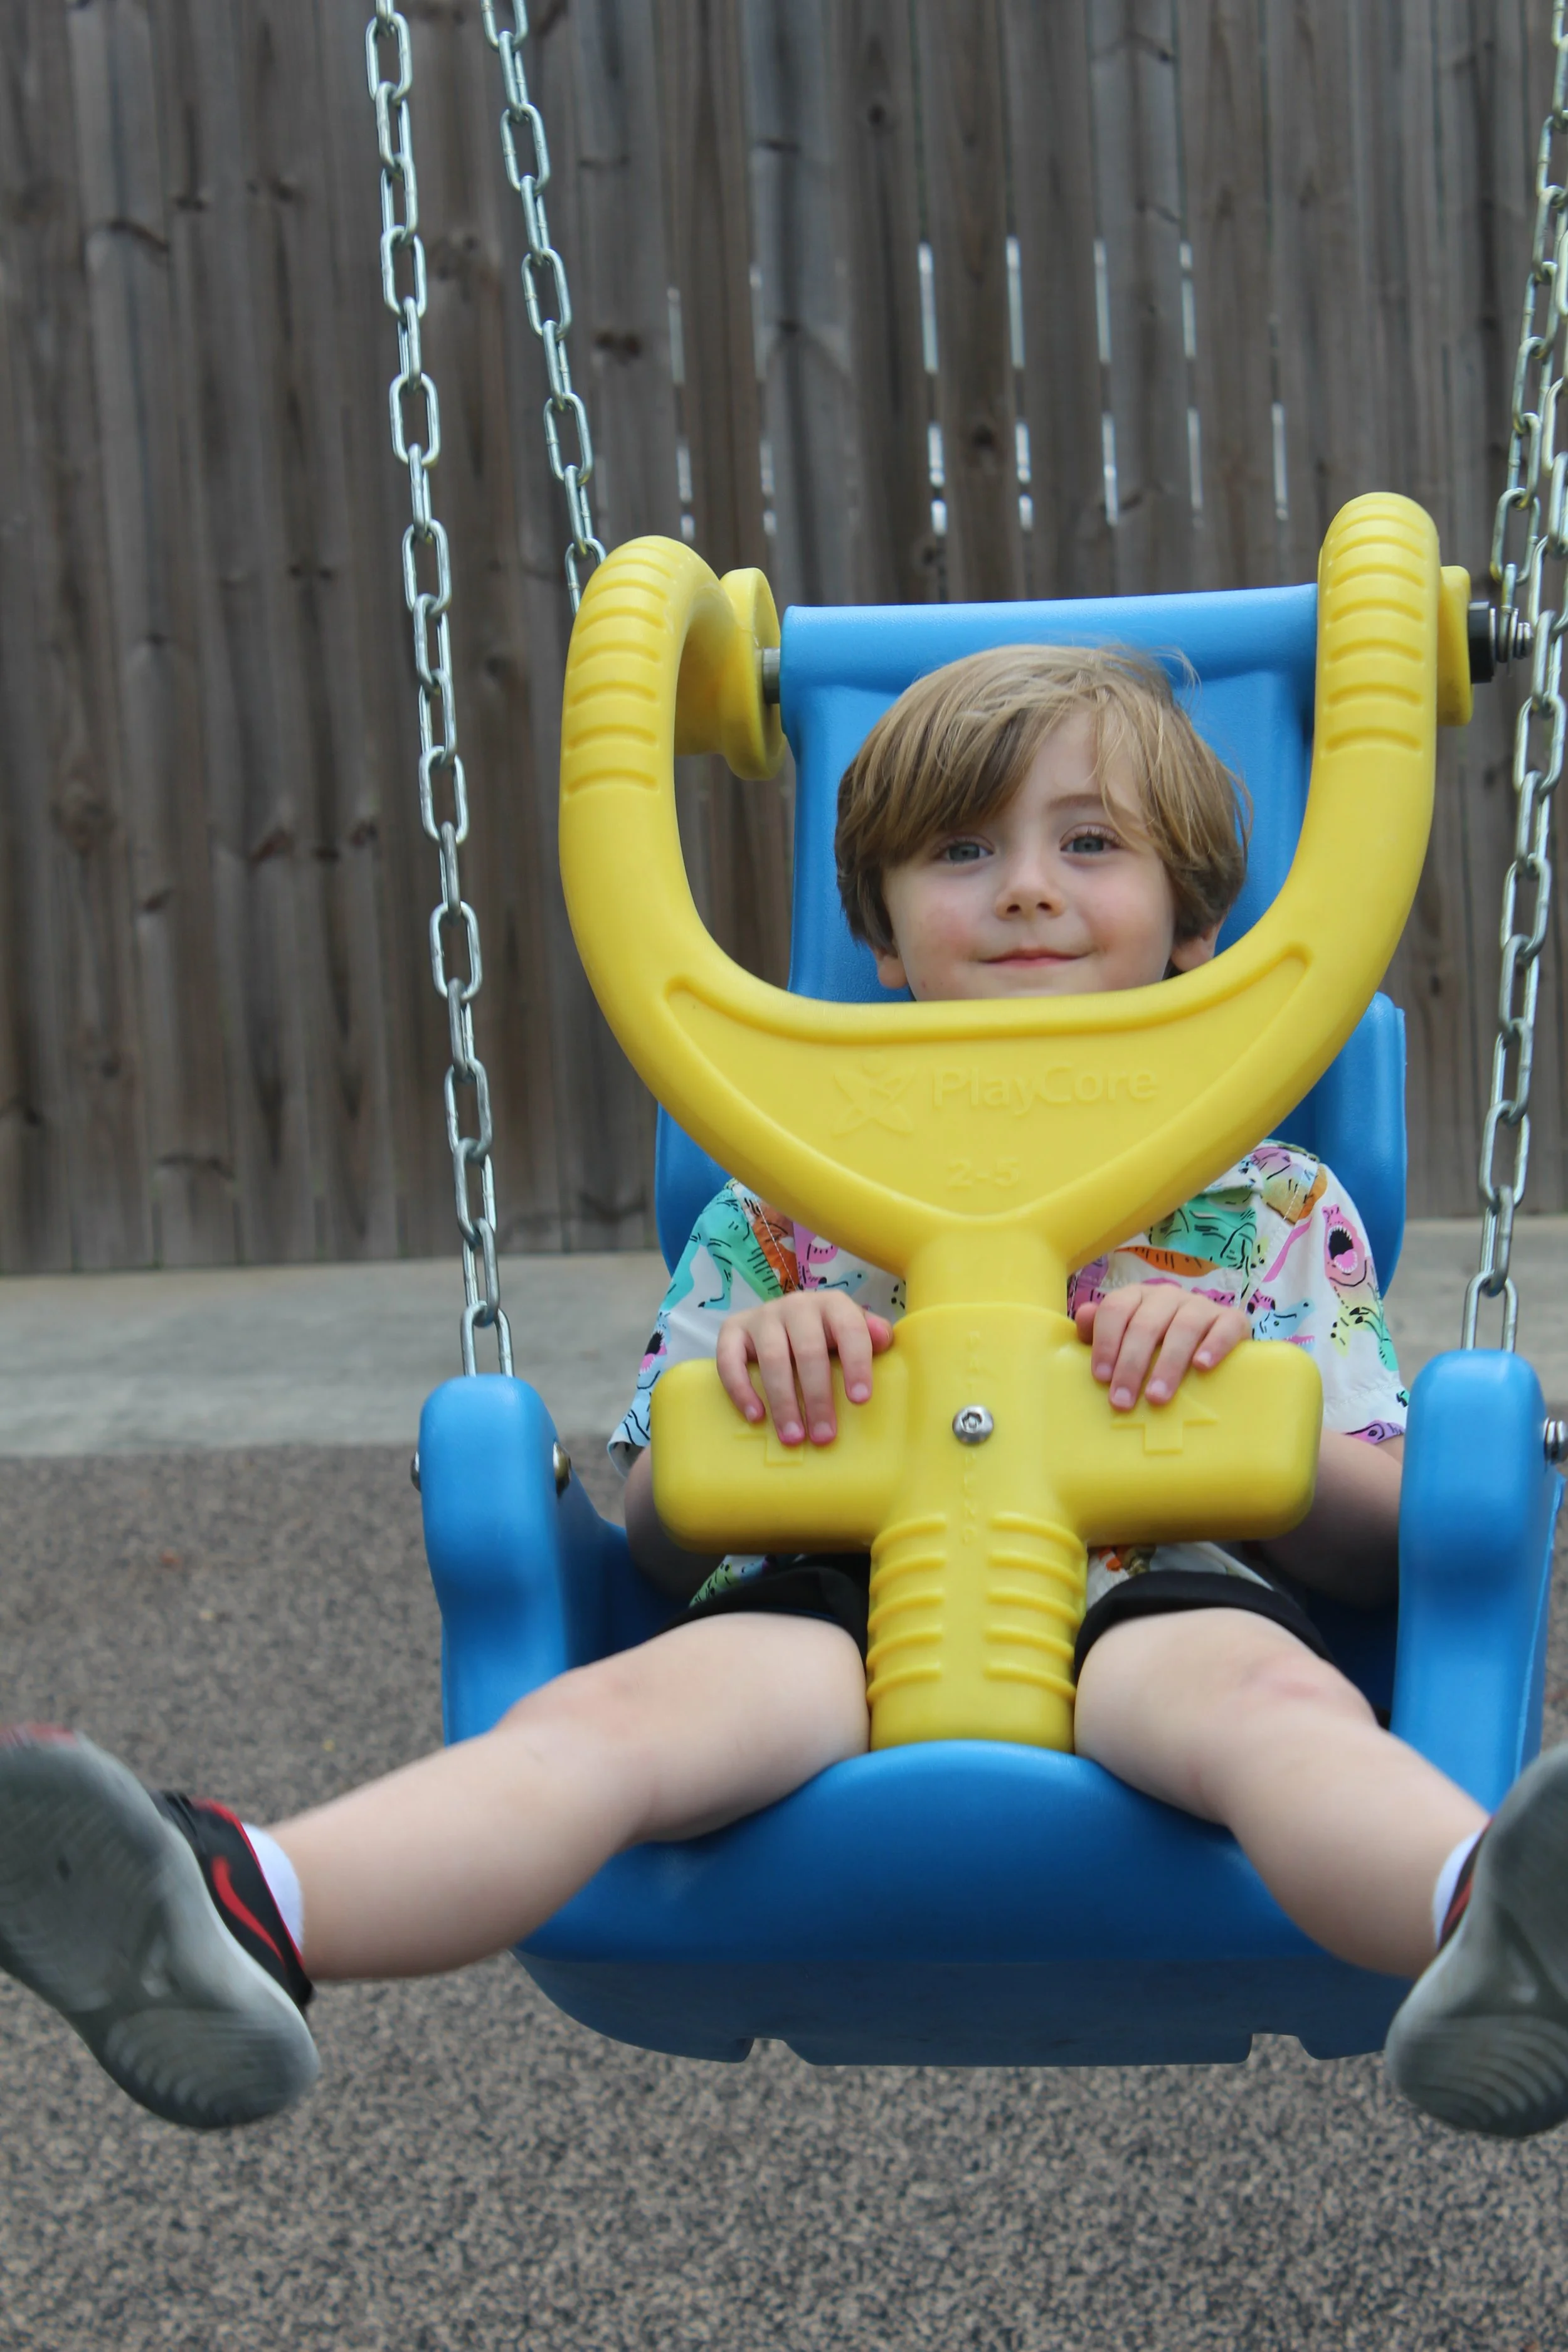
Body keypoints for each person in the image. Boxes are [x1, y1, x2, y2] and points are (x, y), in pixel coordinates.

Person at [2, 645, 1564, 2142]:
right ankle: (247, 1907)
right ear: (880, 940)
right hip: (822, 1615)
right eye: (960, 850)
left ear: (1192, 935)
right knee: (604, 1723)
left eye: (1090, 842)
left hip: (1165, 1604)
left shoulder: (1271, 1195)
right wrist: (746, 1397)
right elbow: (655, 1542)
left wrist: (1243, 1406)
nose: (1024, 885)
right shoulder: (776, 1207)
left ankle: (1484, 1927)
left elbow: (1384, 1544)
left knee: (1276, 1713)